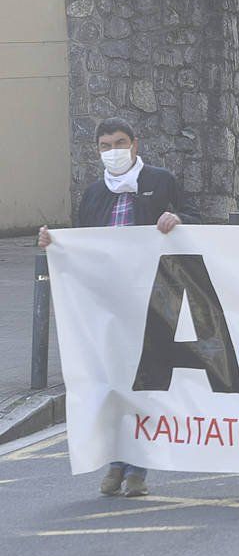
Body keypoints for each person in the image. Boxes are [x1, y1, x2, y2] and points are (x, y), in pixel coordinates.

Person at [38, 117, 197, 499]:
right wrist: (53, 242)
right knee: (112, 384)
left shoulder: (160, 182)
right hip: (106, 303)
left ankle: (136, 469)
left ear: (136, 145)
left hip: (151, 299)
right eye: (106, 146)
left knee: (144, 384)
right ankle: (116, 462)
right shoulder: (94, 195)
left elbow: (195, 217)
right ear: (97, 151)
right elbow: (81, 243)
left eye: (120, 143)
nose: (113, 151)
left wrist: (178, 219)